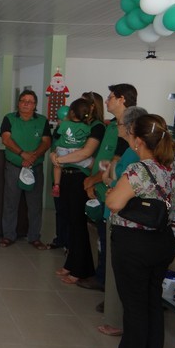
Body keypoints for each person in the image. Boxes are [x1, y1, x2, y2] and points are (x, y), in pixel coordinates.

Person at [97, 114, 175, 348]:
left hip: (134, 244)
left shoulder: (138, 170)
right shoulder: (170, 169)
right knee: (152, 300)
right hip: (162, 241)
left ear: (139, 141)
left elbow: (113, 203)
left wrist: (112, 193)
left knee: (134, 304)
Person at [78, 84, 137, 292]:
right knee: (103, 238)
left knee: (112, 242)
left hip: (116, 191)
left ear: (122, 99)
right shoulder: (111, 125)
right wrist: (95, 179)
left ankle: (107, 284)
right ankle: (102, 277)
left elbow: (116, 163)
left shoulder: (130, 128)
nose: (106, 101)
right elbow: (104, 159)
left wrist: (94, 180)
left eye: (110, 97)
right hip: (104, 188)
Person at [97, 106, 147, 338]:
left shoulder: (134, 154)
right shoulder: (130, 151)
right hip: (122, 216)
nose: (116, 127)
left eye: (118, 124)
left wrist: (108, 180)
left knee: (119, 270)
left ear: (129, 127)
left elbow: (121, 185)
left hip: (123, 216)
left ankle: (116, 320)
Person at [51, 91, 106, 283]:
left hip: (80, 177)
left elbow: (85, 153)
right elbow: (60, 143)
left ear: (92, 106)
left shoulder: (97, 127)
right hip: (66, 174)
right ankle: (71, 263)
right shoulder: (75, 124)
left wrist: (60, 159)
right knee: (70, 221)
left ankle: (81, 269)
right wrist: (55, 156)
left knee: (78, 223)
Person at [0, 90, 51, 250]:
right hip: (14, 167)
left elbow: (46, 141)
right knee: (10, 203)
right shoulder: (9, 118)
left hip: (35, 168)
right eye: (23, 100)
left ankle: (34, 237)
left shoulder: (42, 120)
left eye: (30, 101)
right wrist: (23, 154)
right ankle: (8, 235)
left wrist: (32, 157)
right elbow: (6, 139)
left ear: (35, 105)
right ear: (18, 103)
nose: (26, 104)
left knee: (35, 204)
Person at [51, 98, 93, 197]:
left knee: (57, 166)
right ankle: (92, 181)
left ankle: (56, 185)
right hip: (77, 153)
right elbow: (87, 138)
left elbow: (56, 135)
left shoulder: (64, 124)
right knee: (93, 164)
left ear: (72, 113)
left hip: (62, 150)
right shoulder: (87, 127)